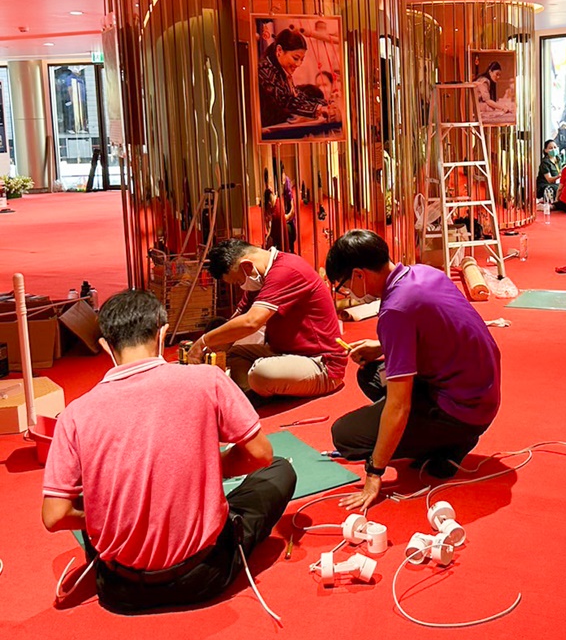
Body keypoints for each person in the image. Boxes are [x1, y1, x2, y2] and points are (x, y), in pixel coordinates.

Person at [41, 289, 296, 615]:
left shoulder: (75, 414)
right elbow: (260, 455)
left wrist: (114, 512)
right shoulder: (207, 379)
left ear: (106, 346)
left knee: (85, 497)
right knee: (280, 470)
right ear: (162, 334)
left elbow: (55, 515)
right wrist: (209, 467)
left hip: (120, 591)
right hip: (203, 576)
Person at [324, 230, 501, 509]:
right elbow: (438, 329)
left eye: (344, 286)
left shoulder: (395, 310)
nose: (348, 293)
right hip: (482, 392)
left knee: (345, 436)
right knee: (370, 374)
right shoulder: (423, 273)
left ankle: (450, 442)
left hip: (463, 411)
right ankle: (438, 439)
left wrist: (374, 472)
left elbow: (399, 405)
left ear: (358, 274)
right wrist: (381, 346)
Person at [197, 238, 347, 400]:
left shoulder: (287, 270)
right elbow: (235, 324)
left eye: (239, 281)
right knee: (233, 355)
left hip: (321, 364)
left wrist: (203, 342)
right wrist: (207, 354)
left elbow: (250, 322)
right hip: (282, 353)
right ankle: (257, 394)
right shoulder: (260, 279)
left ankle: (264, 390)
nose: (241, 285)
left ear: (247, 266)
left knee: (261, 372)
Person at [258, 29, 330, 129]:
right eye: (295, 58)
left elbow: (297, 96)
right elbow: (286, 101)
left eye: (302, 59)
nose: (298, 64)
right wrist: (319, 109)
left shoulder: (280, 70)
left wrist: (325, 104)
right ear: (279, 50)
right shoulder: (265, 70)